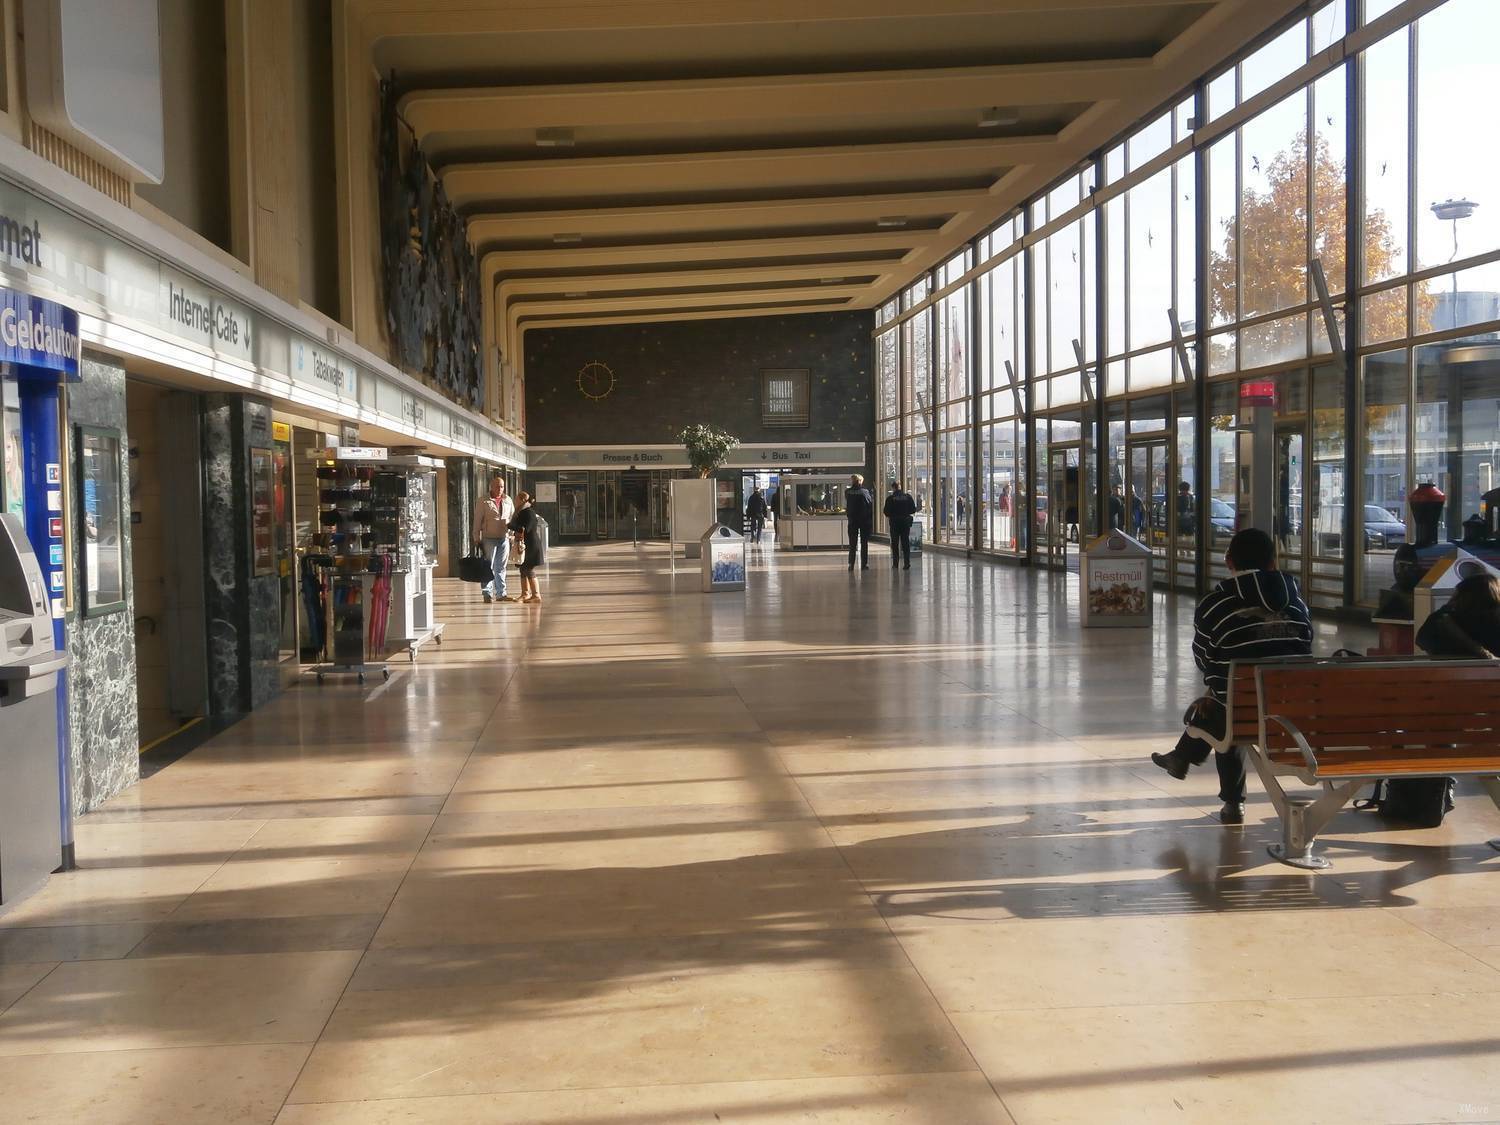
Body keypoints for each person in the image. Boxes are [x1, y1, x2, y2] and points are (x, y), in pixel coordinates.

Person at [1150, 528, 1314, 824]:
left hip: (1240, 712)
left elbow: (1203, 657)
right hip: (1293, 711)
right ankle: (1181, 757)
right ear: (1273, 562)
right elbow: (1307, 644)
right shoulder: (1297, 602)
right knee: (1233, 697)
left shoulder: (1216, 604)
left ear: (1229, 561)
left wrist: (1217, 684)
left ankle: (1231, 802)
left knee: (1225, 702)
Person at [1416, 573, 1500, 658]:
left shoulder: (1444, 618)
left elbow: (1421, 641)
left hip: (1447, 669)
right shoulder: (1494, 620)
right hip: (1491, 669)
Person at [471, 476, 515, 604]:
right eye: (497, 486)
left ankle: (501, 593)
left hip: (504, 538)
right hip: (488, 538)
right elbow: (477, 520)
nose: (500, 489)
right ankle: (487, 593)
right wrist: (476, 538)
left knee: (501, 567)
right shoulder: (483, 501)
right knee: (487, 567)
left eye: (502, 486)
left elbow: (512, 518)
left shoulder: (508, 500)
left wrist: (511, 534)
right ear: (491, 486)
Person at [509, 491, 547, 604]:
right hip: (525, 545)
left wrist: (509, 525)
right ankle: (525, 593)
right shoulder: (521, 512)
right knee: (523, 569)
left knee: (528, 569)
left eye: (516, 499)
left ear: (522, 500)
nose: (515, 502)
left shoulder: (528, 512)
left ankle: (536, 595)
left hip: (531, 546)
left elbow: (526, 528)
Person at [884, 480, 917, 569]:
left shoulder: (890, 499)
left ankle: (895, 563)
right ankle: (907, 563)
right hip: (905, 522)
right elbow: (913, 509)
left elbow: (886, 512)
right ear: (900, 487)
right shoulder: (908, 497)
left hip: (894, 523)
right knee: (905, 542)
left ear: (893, 488)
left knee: (895, 543)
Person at [845, 473, 874, 571]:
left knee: (852, 544)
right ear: (860, 481)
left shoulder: (847, 492)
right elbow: (870, 505)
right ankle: (864, 564)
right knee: (864, 543)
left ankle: (851, 564)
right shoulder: (865, 492)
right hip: (864, 521)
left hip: (852, 521)